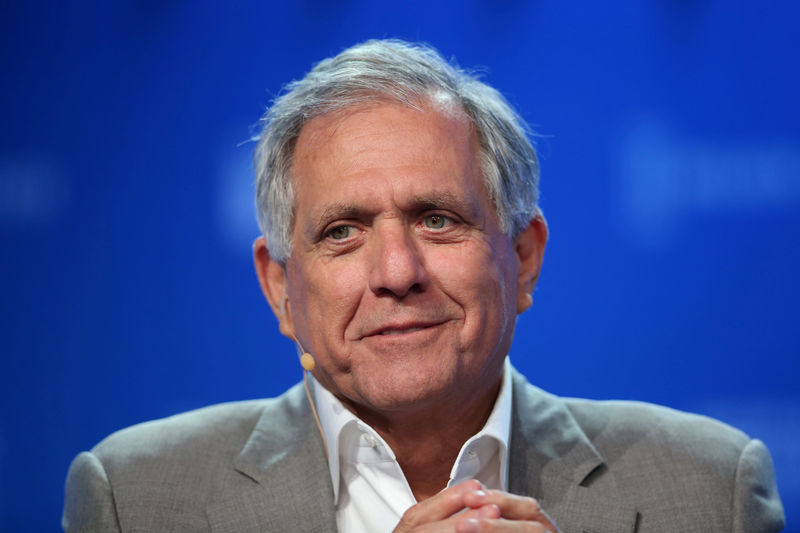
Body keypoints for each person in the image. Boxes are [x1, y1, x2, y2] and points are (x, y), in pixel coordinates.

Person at [63, 39, 785, 532]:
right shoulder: (136, 494)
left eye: (437, 219)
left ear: (524, 257)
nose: (397, 272)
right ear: (281, 287)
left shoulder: (706, 487)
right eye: (342, 231)